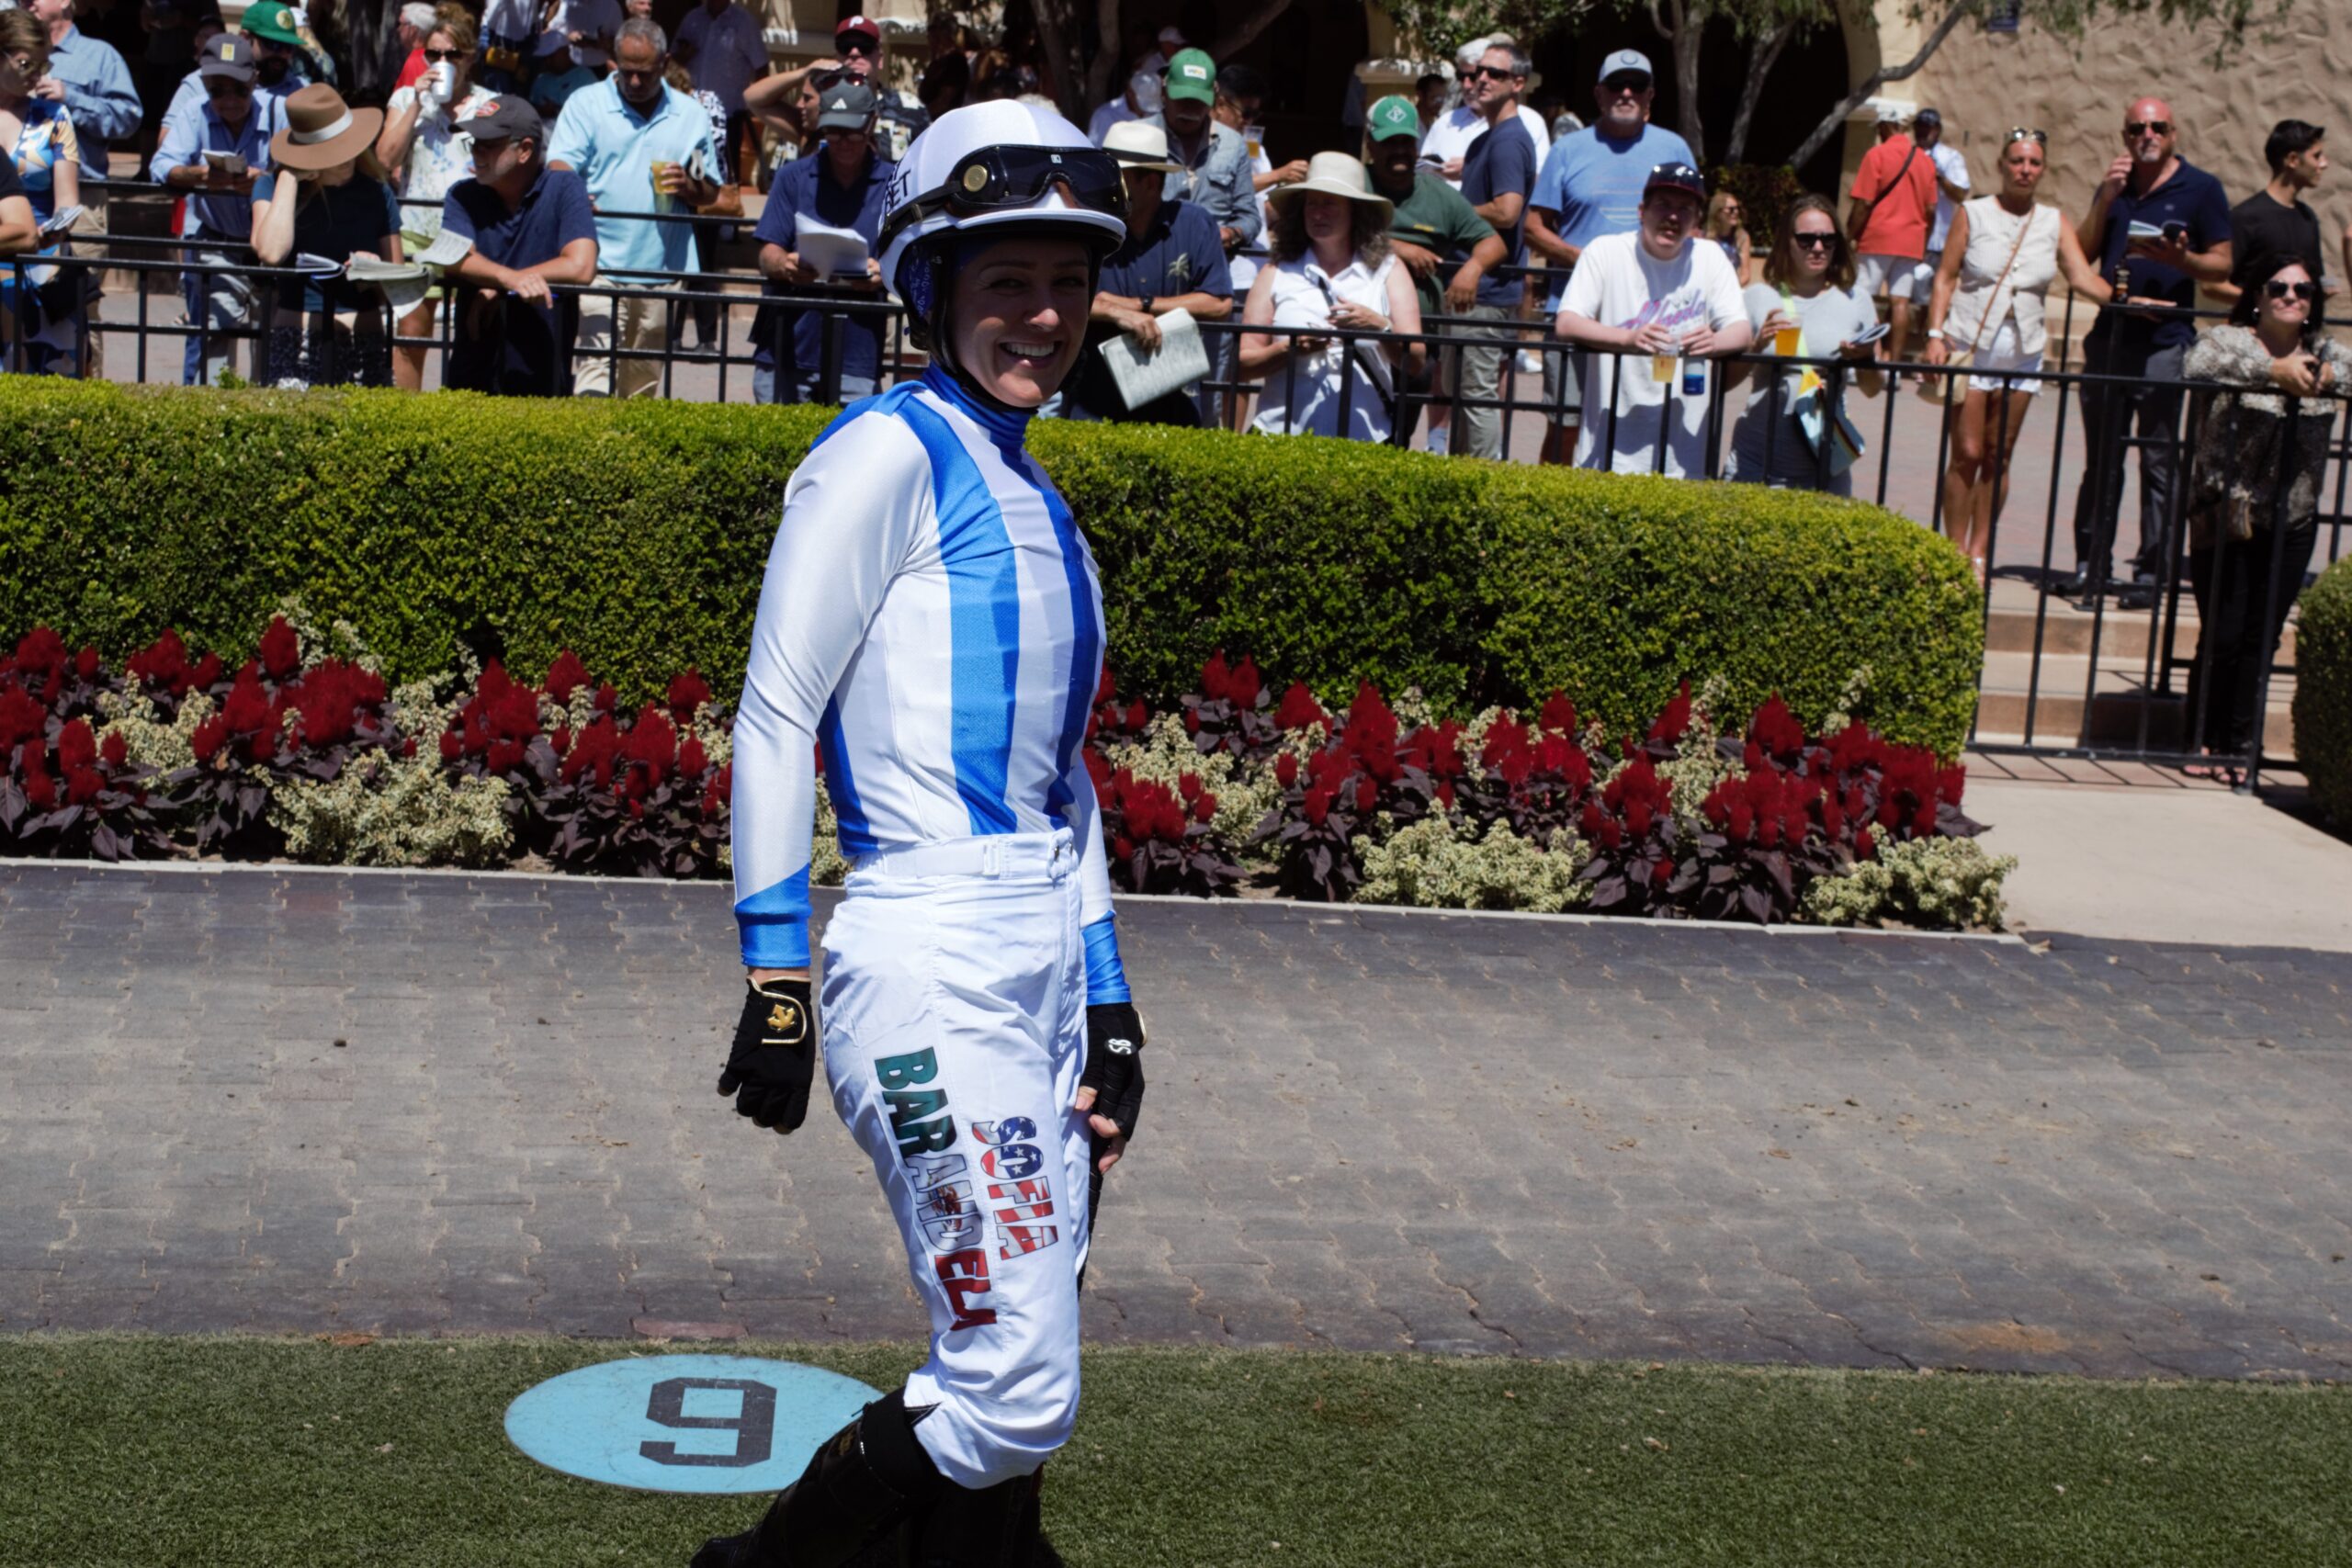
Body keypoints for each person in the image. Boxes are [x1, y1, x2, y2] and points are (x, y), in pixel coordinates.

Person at [692, 96, 1146, 1568]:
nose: (1044, 314)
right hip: (927, 958)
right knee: (1015, 1384)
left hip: (1038, 971)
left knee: (1006, 1351)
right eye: (1007, 279)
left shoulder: (1040, 495)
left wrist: (1115, 1006)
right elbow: (772, 714)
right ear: (934, 282)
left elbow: (1062, 788)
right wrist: (774, 976)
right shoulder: (881, 454)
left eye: (1067, 281)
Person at [2178, 255, 2349, 781]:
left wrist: (2325, 377)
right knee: (2224, 633)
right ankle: (2201, 737)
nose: (2292, 296)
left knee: (2263, 636)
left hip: (2291, 520)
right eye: (2280, 287)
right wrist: (2270, 372)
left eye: (2302, 289)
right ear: (2258, 295)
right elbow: (2195, 366)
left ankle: (2240, 744)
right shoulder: (2229, 342)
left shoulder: (2326, 355)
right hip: (2228, 512)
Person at [1924, 130, 2115, 581]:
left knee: (1998, 455)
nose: (2024, 170)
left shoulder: (2052, 220)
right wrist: (1934, 333)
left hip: (2023, 352)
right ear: (2002, 166)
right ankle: (1950, 549)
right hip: (1970, 345)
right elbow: (1945, 277)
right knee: (1967, 452)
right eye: (2016, 161)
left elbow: (2083, 279)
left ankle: (1979, 549)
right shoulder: (1973, 213)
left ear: (2041, 169)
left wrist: (2133, 303)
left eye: (2033, 163)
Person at [2070, 96, 2233, 598]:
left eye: (2157, 126)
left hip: (2165, 343)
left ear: (2173, 133)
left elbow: (2223, 266)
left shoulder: (2201, 189)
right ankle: (2090, 566)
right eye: (2137, 127)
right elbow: (2083, 251)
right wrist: (2104, 197)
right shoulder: (2115, 188)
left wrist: (2181, 259)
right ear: (2124, 136)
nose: (2148, 134)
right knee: (2101, 460)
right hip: (2110, 338)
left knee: (2159, 460)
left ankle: (2151, 571)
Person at [1524, 50, 1696, 463]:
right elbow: (1532, 227)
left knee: (1651, 421)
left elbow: (1695, 226)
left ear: (1649, 95)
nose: (1626, 93)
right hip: (1577, 312)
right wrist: (1586, 263)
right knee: (1566, 422)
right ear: (1599, 95)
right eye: (1616, 85)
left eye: (1636, 86)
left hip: (1655, 316)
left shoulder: (1674, 148)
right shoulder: (1568, 150)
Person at [547, 16, 719, 398]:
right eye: (628, 73)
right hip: (597, 262)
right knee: (595, 365)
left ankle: (627, 451)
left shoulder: (690, 115)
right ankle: (590, 449)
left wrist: (690, 186)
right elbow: (559, 165)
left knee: (641, 382)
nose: (636, 82)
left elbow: (711, 190)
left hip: (661, 265)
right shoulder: (586, 103)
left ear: (665, 63)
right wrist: (572, 189)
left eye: (645, 73)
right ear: (614, 63)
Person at [1555, 161, 1751, 476]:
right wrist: (1627, 339)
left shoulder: (1711, 256)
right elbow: (1567, 321)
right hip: (1609, 453)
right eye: (1663, 205)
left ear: (1697, 219)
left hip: (1683, 458)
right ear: (1641, 210)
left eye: (1685, 208)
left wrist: (1715, 341)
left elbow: (1741, 330)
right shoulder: (1606, 251)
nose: (1673, 217)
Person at [1238, 151, 1422, 443]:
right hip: (1282, 436)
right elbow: (1242, 364)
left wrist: (1380, 328)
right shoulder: (1277, 270)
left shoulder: (1388, 269)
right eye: (1312, 204)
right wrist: (1290, 349)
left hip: (1365, 440)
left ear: (1355, 211)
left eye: (1329, 204)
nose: (1318, 213)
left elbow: (1415, 361)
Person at [1062, 118, 1229, 423]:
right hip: (1094, 402)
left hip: (1175, 401)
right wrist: (1115, 312)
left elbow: (1219, 303)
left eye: (1116, 177)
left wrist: (1143, 307)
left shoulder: (1194, 223)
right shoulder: (1087, 226)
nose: (1104, 186)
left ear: (1150, 182)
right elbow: (1059, 293)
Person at [437, 94, 596, 395]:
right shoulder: (462, 194)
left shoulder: (564, 187)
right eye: (473, 143)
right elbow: (453, 257)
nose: (477, 152)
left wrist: (499, 289)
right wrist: (509, 280)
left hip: (542, 371)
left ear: (525, 150)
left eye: (489, 144)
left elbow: (581, 265)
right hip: (473, 372)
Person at [1724, 195, 1883, 496]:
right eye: (1807, 239)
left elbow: (1873, 388)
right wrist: (1757, 348)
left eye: (1828, 239)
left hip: (1824, 466)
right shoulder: (1757, 297)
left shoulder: (1856, 300)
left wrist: (1865, 358)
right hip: (1755, 463)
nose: (1818, 248)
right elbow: (1723, 383)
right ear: (1787, 242)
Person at [249, 84, 404, 388]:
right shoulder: (272, 187)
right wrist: (290, 178)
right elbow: (270, 252)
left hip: (364, 338)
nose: (346, 158)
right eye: (333, 150)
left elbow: (396, 284)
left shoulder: (376, 192)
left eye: (349, 145)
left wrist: (373, 271)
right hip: (298, 340)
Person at [378, 4, 496, 390]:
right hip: (416, 231)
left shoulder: (489, 105)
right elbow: (384, 159)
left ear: (470, 58)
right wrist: (417, 103)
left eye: (452, 54)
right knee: (411, 331)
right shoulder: (406, 101)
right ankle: (405, 421)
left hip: (471, 236)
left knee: (476, 334)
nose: (442, 61)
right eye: (434, 54)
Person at [750, 77, 889, 404]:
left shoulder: (891, 183)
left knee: (855, 450)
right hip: (788, 341)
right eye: (833, 132)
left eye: (852, 132)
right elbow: (767, 251)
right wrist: (785, 264)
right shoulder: (792, 177)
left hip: (857, 350)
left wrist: (883, 271)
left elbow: (910, 260)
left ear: (871, 124)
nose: (842, 142)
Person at [151, 30, 275, 385]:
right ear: (204, 85)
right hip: (219, 241)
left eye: (239, 89)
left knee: (274, 344)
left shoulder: (278, 110)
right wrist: (200, 175)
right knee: (214, 343)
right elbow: (162, 166)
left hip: (274, 247)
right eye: (217, 90)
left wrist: (265, 180)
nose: (229, 100)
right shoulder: (195, 112)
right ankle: (215, 423)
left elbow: (309, 171)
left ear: (255, 80)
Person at [1445, 40, 1536, 461]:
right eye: (1477, 71)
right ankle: (1462, 478)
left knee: (1476, 397)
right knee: (1460, 394)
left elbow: (1507, 210)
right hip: (1473, 289)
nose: (1480, 79)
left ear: (1518, 83)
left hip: (1486, 292)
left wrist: (1453, 210)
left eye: (1494, 74)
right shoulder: (1490, 138)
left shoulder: (1507, 140)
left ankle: (1482, 489)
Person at [1366, 94, 1501, 334]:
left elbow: (1493, 243)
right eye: (1389, 142)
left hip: (1420, 336)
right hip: (1357, 332)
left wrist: (1472, 269)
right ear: (1370, 145)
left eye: (1406, 141)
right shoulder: (1353, 183)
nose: (1399, 150)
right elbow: (1334, 236)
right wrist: (1398, 249)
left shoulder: (1440, 194)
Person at [1, 9, 82, 373]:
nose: (36, 75)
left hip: (40, 263)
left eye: (42, 65)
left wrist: (50, 237)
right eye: (24, 64)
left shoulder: (54, 117)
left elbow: (68, 204)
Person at [1846, 104, 1939, 374]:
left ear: (1885, 126)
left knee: (1865, 297)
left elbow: (1863, 202)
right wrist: (1922, 238)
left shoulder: (1876, 155)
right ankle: (1893, 368)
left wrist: (1850, 234)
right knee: (1901, 302)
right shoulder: (1924, 160)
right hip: (1910, 240)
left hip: (1878, 237)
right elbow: (1931, 209)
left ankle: (1858, 362)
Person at [2212, 118, 2324, 305]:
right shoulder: (2246, 217)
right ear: (2293, 160)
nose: (2324, 164)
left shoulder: (2308, 217)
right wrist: (2263, 303)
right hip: (2251, 331)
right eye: (2317, 156)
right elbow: (2212, 285)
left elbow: (2314, 280)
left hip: (2296, 333)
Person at [1417, 32, 1547, 189]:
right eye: (1461, 76)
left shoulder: (1530, 122)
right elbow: (1422, 173)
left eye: (1473, 76)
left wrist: (1472, 169)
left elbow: (1540, 181)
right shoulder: (1445, 122)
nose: (1466, 85)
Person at [28, 0, 135, 183]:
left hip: (82, 193)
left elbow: (127, 120)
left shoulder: (100, 55)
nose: (25, 1)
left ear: (64, 2)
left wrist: (70, 98)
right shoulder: (6, 57)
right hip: (14, 196)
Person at [673, 0, 763, 184]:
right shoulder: (692, 19)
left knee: (727, 178)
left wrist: (757, 105)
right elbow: (673, 61)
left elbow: (761, 65)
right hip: (692, 111)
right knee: (690, 170)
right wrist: (683, 56)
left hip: (728, 115)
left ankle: (725, 211)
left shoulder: (744, 22)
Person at [1907, 108, 1971, 330]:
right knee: (1904, 294)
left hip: (1938, 240)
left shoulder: (1950, 158)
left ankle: (1929, 337)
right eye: (1919, 127)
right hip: (1909, 237)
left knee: (1934, 291)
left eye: (1928, 127)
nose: (1923, 132)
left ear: (1938, 130)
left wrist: (1938, 176)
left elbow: (1961, 194)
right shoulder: (1907, 155)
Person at [832, 15, 926, 163]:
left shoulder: (911, 107)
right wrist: (805, 73)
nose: (854, 53)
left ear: (881, 59)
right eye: (845, 47)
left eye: (865, 47)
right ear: (836, 57)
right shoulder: (821, 105)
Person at [1086, 63, 1155, 147]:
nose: (1146, 109)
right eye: (1144, 100)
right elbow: (1096, 150)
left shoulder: (1156, 113)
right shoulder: (1105, 115)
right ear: (1130, 93)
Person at [1704, 189, 1753, 284]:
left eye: (1737, 208)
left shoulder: (1742, 237)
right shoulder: (1705, 237)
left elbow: (1745, 275)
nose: (1736, 212)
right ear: (1718, 213)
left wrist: (1730, 289)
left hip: (1731, 287)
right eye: (1731, 209)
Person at [391, 1, 434, 92]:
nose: (398, 29)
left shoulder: (415, 61)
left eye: (400, 24)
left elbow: (405, 103)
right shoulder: (440, 56)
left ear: (413, 30)